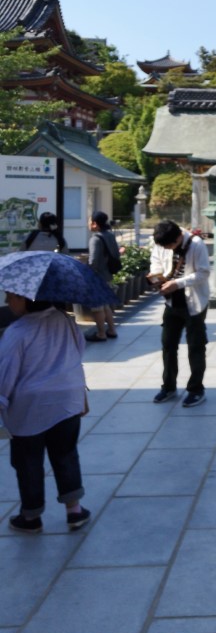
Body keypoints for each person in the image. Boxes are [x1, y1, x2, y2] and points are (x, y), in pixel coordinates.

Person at [0, 293, 91, 533]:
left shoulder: (17, 331)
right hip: (66, 400)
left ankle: (31, 517)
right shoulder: (65, 320)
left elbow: (6, 373)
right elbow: (78, 350)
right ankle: (74, 511)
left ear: (29, 298)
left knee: (27, 461)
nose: (8, 301)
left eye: (12, 297)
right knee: (66, 454)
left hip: (30, 407)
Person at [149, 220, 210, 407]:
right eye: (164, 246)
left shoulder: (197, 244)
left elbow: (203, 273)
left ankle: (196, 389)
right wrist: (156, 277)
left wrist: (177, 283)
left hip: (194, 302)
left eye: (170, 245)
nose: (167, 248)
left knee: (195, 347)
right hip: (171, 302)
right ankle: (168, 386)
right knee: (168, 345)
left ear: (178, 237)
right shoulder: (161, 242)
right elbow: (156, 261)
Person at [85, 211, 120, 341]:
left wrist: (87, 274)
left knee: (97, 307)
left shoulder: (95, 239)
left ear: (95, 224)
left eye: (89, 221)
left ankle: (101, 333)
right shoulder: (110, 235)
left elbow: (93, 261)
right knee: (105, 305)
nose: (88, 224)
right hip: (108, 275)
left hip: (97, 277)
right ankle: (111, 330)